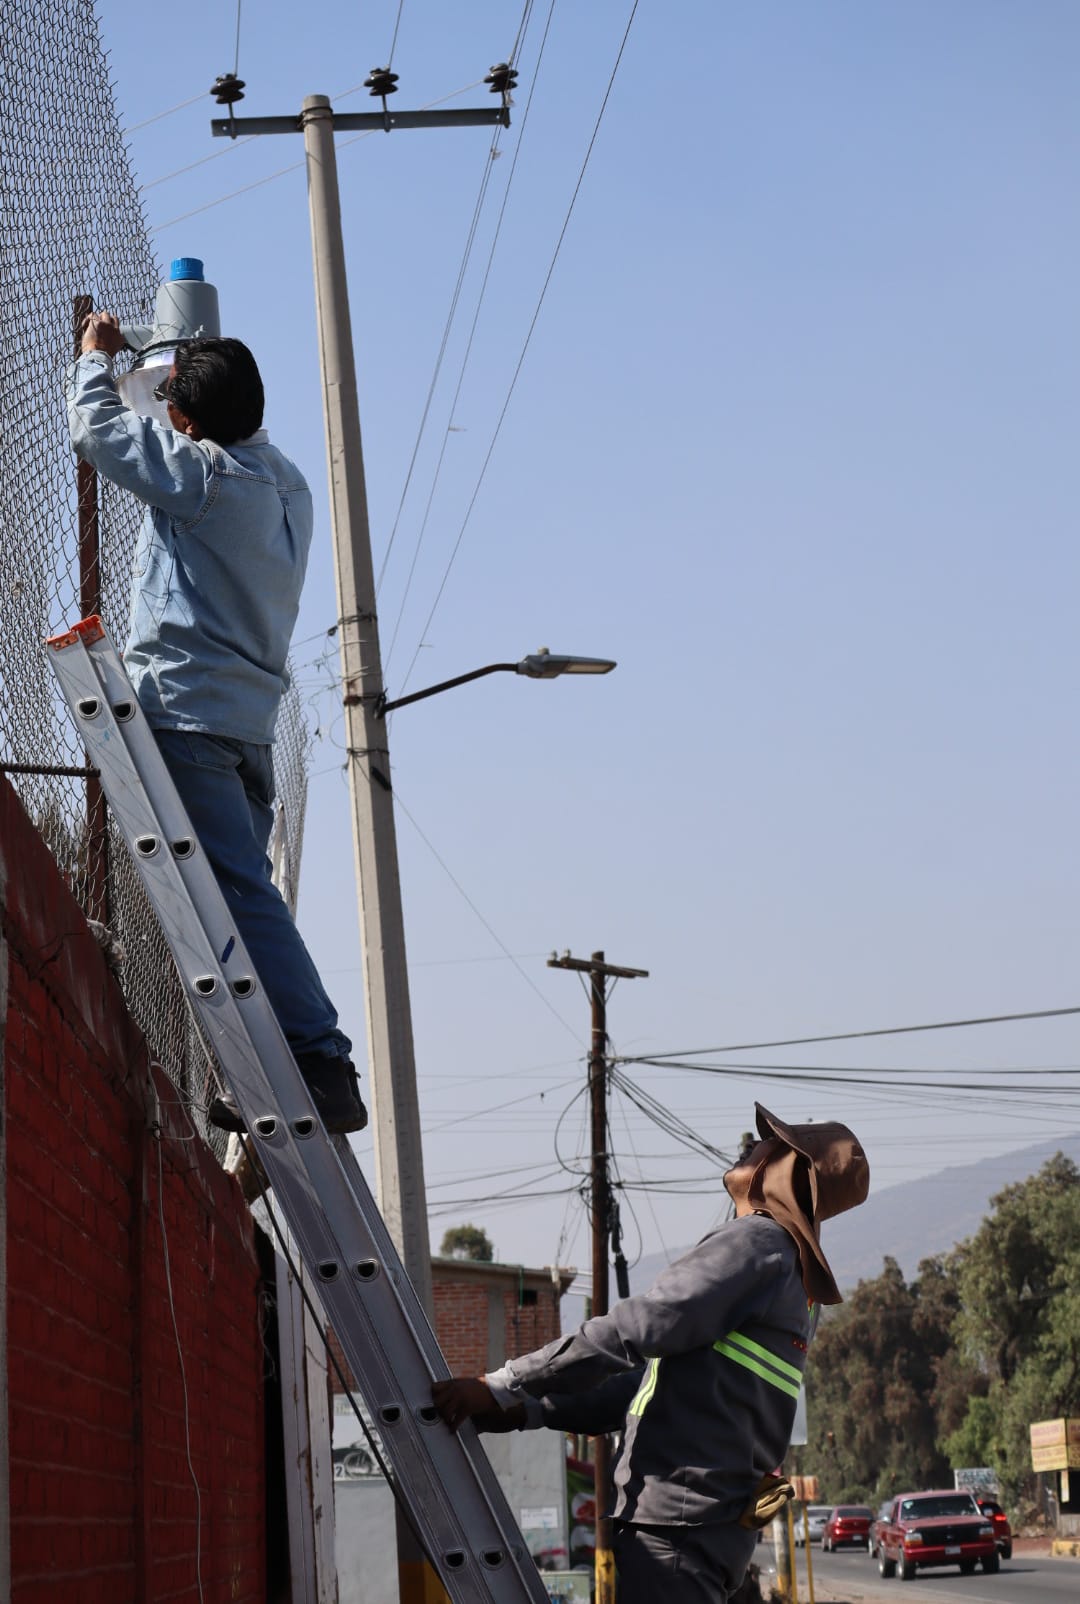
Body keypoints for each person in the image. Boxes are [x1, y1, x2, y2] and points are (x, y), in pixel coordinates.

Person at [66, 313, 366, 1135]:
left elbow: (97, 431)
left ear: (185, 422)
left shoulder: (202, 478)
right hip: (247, 723)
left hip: (187, 713)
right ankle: (281, 1066)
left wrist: (96, 361)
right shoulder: (287, 484)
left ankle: (321, 1057)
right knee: (242, 897)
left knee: (235, 895)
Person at [432, 1103, 870, 1604]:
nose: (755, 1146)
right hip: (706, 1527)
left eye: (772, 1144)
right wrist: (524, 1411)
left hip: (675, 1530)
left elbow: (633, 1329)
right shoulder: (797, 1281)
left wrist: (502, 1383)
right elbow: (642, 1386)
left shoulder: (758, 1243)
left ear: (790, 1172)